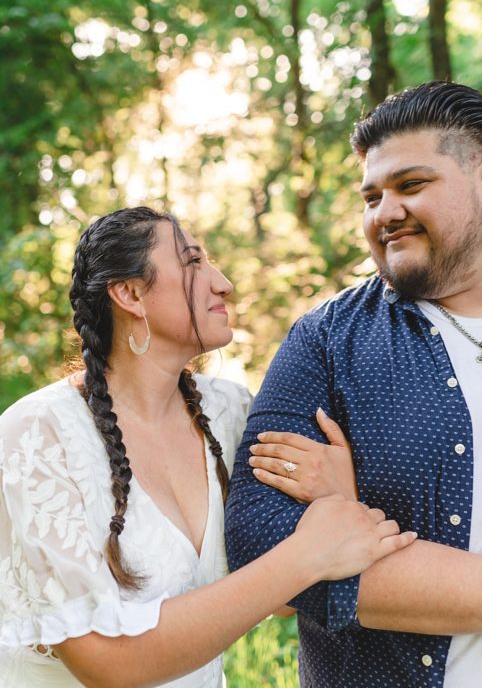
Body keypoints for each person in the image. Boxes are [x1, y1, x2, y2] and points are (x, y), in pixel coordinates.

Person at [0, 207, 415, 688]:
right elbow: (109, 664)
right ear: (130, 293)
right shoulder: (36, 435)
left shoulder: (229, 413)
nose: (223, 283)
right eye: (193, 262)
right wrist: (307, 554)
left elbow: (277, 597)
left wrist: (336, 498)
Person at [224, 81, 482, 688]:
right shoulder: (325, 341)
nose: (384, 213)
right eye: (372, 196)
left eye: (411, 186)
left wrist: (347, 521)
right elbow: (256, 540)